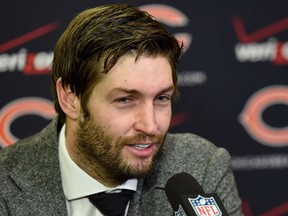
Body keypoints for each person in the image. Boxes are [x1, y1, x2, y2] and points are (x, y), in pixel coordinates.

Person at [0, 3, 242, 216]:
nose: (150, 126)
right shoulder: (5, 184)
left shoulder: (202, 167)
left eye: (161, 98)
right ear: (70, 98)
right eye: (126, 100)